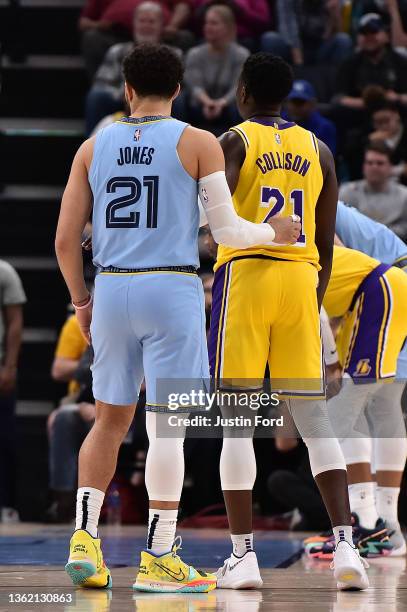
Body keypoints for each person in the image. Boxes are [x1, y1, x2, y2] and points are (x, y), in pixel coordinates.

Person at [55, 43, 300, 592]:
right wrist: (274, 233)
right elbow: (230, 232)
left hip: (112, 287)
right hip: (170, 287)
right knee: (168, 425)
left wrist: (82, 302)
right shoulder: (197, 141)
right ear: (180, 89)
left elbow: (65, 239)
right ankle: (159, 557)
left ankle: (84, 539)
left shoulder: (93, 148)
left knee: (108, 421)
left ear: (126, 89)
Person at [206, 52, 369, 591]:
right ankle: (347, 547)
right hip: (301, 281)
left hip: (247, 278)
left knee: (237, 426)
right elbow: (324, 238)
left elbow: (221, 228)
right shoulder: (318, 147)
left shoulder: (233, 140)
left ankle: (242, 557)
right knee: (316, 423)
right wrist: (313, 293)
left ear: (245, 89)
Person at [307, 245, 407, 559]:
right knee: (354, 410)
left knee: (348, 408)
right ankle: (367, 520)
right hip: (361, 303)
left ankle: (376, 526)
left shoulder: (282, 255)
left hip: (379, 293)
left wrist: (332, 360)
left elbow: (317, 311)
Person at [85, 2, 176, 134]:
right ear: (134, 24)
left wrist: (148, 98)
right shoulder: (117, 51)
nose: (146, 26)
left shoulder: (172, 54)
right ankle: (92, 147)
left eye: (151, 21)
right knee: (96, 96)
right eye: (142, 21)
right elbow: (102, 83)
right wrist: (127, 96)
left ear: (161, 26)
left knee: (178, 100)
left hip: (160, 101)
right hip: (122, 99)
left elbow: (179, 86)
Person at [184, 4, 249, 131]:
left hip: (228, 107)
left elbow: (238, 86)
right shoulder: (194, 53)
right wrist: (208, 102)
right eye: (206, 23)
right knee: (180, 101)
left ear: (228, 27)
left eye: (214, 23)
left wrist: (221, 103)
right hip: (199, 107)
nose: (208, 27)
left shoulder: (241, 54)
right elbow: (195, 86)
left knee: (241, 104)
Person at [335, 13, 407, 111]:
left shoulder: (400, 62)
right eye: (364, 33)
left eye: (374, 31)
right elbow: (338, 98)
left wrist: (397, 98)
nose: (368, 37)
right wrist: (369, 102)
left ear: (387, 36)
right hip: (360, 118)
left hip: (396, 115)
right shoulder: (349, 64)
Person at [0, 260, 25, 523]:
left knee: (5, 440)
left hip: (1, 370)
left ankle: (7, 504)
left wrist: (9, 366)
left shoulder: (4, 271)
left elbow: (15, 322)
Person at [339, 142, 407, 240]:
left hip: (395, 250)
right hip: (354, 249)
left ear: (390, 167)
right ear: (363, 167)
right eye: (369, 163)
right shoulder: (347, 192)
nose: (374, 167)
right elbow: (340, 225)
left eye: (380, 163)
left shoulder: (404, 196)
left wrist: (378, 234)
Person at [260, 0, 352, 66]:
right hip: (291, 47)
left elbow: (334, 33)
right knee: (270, 39)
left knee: (343, 40)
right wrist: (299, 64)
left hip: (319, 47)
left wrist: (334, 13)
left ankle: (330, 84)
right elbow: (289, 28)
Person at [284, 79, 337, 154]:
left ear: (313, 103)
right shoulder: (278, 122)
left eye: (300, 103)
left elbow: (327, 160)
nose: (295, 107)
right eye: (293, 102)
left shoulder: (324, 127)